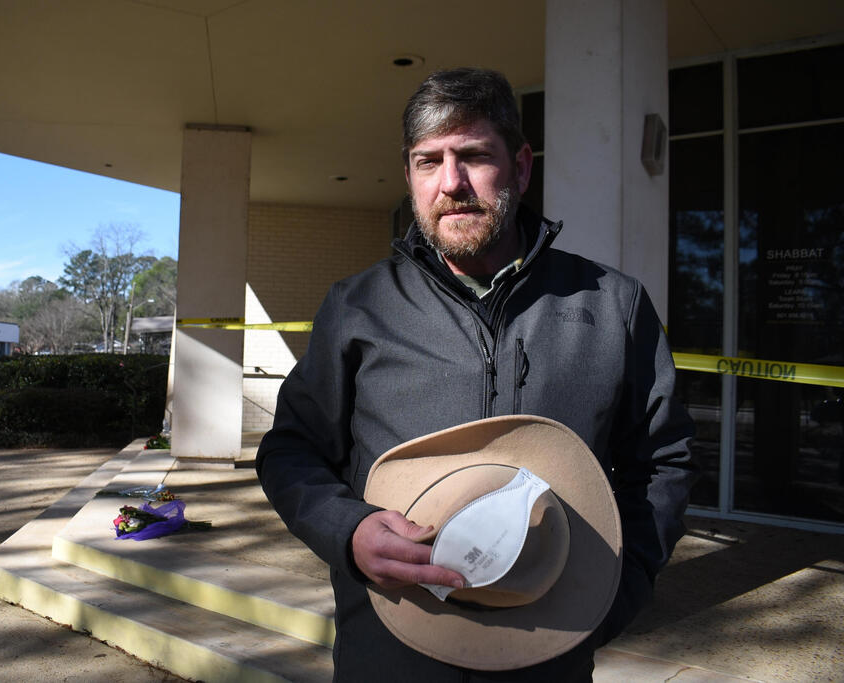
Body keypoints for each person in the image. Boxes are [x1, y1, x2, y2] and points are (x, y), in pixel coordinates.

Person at [255, 67, 698, 681]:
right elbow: (291, 450)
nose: (451, 183)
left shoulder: (612, 304)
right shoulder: (356, 306)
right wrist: (348, 531)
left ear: (520, 166)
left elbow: (662, 461)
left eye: (472, 156)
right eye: (427, 161)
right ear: (409, 175)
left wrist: (614, 598)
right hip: (389, 649)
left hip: (552, 650)